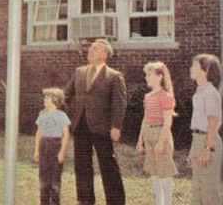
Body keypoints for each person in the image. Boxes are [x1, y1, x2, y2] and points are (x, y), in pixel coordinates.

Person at [65, 38, 127, 205]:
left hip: (102, 128)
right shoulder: (79, 72)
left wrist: (116, 126)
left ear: (105, 54)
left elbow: (119, 103)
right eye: (90, 48)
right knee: (82, 165)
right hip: (80, 125)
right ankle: (85, 200)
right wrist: (67, 114)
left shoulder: (114, 76)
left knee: (108, 166)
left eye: (95, 49)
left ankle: (116, 201)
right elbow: (67, 95)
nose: (90, 51)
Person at [136, 62, 177, 205]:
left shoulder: (166, 96)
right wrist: (140, 140)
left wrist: (161, 142)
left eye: (149, 74)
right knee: (154, 173)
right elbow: (145, 118)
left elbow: (167, 123)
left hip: (161, 134)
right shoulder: (148, 96)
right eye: (146, 74)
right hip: (148, 133)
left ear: (159, 76)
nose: (146, 77)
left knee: (164, 173)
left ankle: (167, 202)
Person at [189, 53, 222, 205]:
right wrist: (193, 149)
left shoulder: (210, 93)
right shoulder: (199, 91)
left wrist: (208, 148)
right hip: (198, 139)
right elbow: (197, 124)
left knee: (209, 191)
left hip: (208, 141)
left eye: (194, 66)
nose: (191, 68)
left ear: (206, 70)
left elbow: (213, 122)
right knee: (197, 189)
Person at [33, 88, 71, 205]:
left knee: (54, 180)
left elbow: (66, 135)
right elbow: (39, 133)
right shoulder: (42, 114)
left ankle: (54, 202)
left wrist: (62, 152)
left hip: (56, 145)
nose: (44, 100)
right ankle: (43, 202)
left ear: (54, 100)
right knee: (43, 178)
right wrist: (36, 151)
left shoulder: (62, 115)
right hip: (44, 146)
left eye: (47, 98)